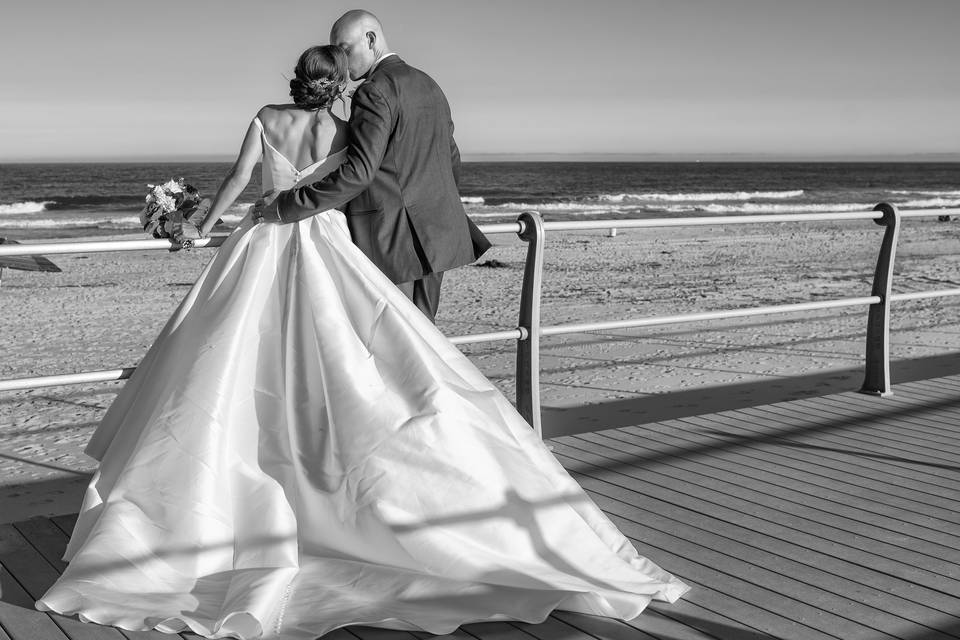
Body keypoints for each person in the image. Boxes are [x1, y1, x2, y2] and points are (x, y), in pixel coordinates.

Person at [35, 42, 687, 640]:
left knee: (223, 364)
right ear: (337, 84)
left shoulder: (265, 116)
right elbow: (354, 189)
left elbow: (238, 183)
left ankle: (200, 512)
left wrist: (200, 224)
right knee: (348, 368)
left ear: (296, 81)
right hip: (327, 248)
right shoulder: (347, 129)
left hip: (262, 242)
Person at [255, 10, 490, 322]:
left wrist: (286, 206)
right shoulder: (429, 84)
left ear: (371, 39)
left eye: (345, 50)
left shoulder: (373, 91)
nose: (341, 62)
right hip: (437, 232)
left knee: (398, 344)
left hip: (391, 239)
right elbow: (451, 159)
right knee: (424, 341)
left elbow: (358, 173)